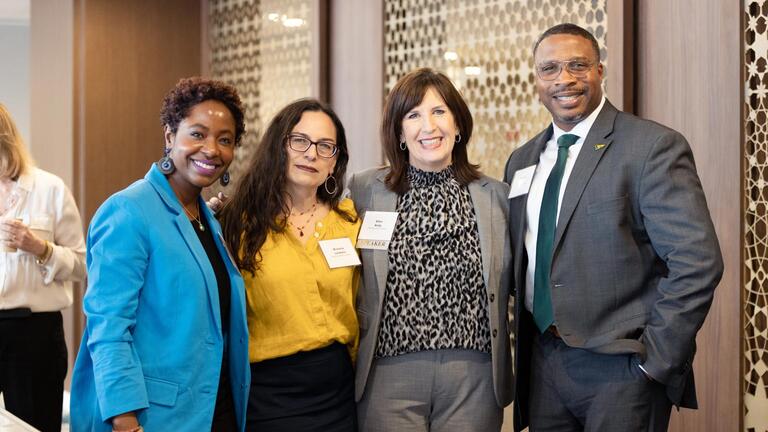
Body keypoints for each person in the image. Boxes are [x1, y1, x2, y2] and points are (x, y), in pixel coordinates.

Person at [504, 23, 724, 432]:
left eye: (577, 65)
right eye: (549, 68)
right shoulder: (521, 161)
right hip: (542, 366)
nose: (564, 79)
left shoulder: (650, 147)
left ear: (600, 71)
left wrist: (654, 364)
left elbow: (698, 262)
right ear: (536, 79)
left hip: (621, 367)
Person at [70, 77, 250, 431]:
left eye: (225, 140)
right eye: (197, 134)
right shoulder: (128, 211)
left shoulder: (206, 219)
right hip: (151, 417)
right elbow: (108, 327)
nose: (212, 149)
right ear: (170, 136)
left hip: (214, 410)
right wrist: (124, 418)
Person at [349, 68, 513, 431]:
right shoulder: (365, 190)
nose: (429, 126)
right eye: (414, 115)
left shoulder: (496, 196)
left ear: (458, 124)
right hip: (388, 373)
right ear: (400, 132)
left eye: (439, 111)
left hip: (474, 376)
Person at [219, 98, 360, 431]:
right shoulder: (237, 225)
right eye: (300, 141)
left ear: (334, 162)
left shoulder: (351, 222)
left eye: (326, 146)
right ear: (278, 146)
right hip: (268, 396)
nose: (312, 154)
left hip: (338, 395)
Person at [0, 103, 86, 431]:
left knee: (36, 425)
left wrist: (38, 247)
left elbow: (81, 265)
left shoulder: (49, 189)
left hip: (33, 334)